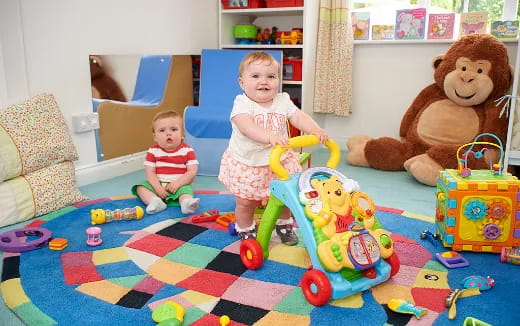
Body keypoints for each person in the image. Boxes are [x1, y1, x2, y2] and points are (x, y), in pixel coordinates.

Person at [218, 51, 329, 244]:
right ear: (242, 82)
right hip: (249, 164)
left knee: (284, 195)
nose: (264, 81)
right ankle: (245, 228)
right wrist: (270, 136)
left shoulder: (282, 100)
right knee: (246, 202)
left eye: (270, 76)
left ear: (278, 80)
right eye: (255, 76)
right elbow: (247, 127)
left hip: (279, 161)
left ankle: (283, 225)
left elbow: (298, 117)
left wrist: (315, 130)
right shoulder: (242, 103)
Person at [132, 110, 200, 215]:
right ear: (155, 137)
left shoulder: (187, 150)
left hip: (179, 185)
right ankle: (154, 201)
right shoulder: (153, 151)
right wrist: (157, 188)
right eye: (162, 130)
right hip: (158, 184)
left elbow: (192, 171)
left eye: (173, 129)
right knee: (141, 187)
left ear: (182, 134)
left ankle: (186, 204)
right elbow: (150, 173)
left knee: (186, 190)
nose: (168, 133)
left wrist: (178, 183)